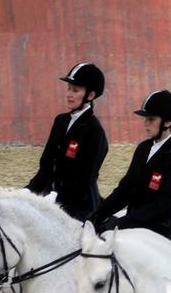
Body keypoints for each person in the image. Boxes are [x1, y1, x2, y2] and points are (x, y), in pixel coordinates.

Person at [92, 90, 171, 251]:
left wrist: (121, 223)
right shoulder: (143, 149)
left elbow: (161, 205)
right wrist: (99, 214)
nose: (145, 123)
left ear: (167, 122)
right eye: (145, 119)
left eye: (151, 119)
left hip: (160, 232)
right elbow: (125, 189)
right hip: (134, 225)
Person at [24, 62, 108, 221]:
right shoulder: (60, 121)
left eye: (75, 90)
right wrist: (29, 190)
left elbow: (84, 180)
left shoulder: (94, 131)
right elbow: (46, 165)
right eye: (68, 88)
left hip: (79, 207)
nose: (69, 94)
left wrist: (57, 197)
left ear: (90, 95)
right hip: (48, 197)